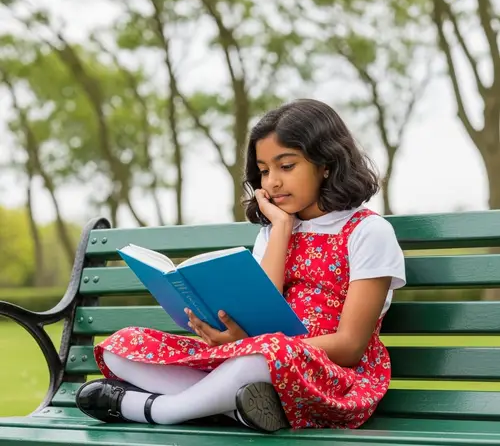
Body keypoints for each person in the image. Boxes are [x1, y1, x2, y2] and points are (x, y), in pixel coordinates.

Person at [75, 98, 406, 432]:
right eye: (264, 171)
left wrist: (256, 347)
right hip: (254, 361)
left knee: (257, 358)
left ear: (327, 163)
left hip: (331, 379)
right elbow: (261, 312)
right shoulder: (274, 232)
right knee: (125, 345)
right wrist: (281, 229)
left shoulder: (367, 232)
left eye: (286, 166)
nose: (272, 182)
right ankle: (240, 408)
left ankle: (162, 410)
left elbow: (350, 347)